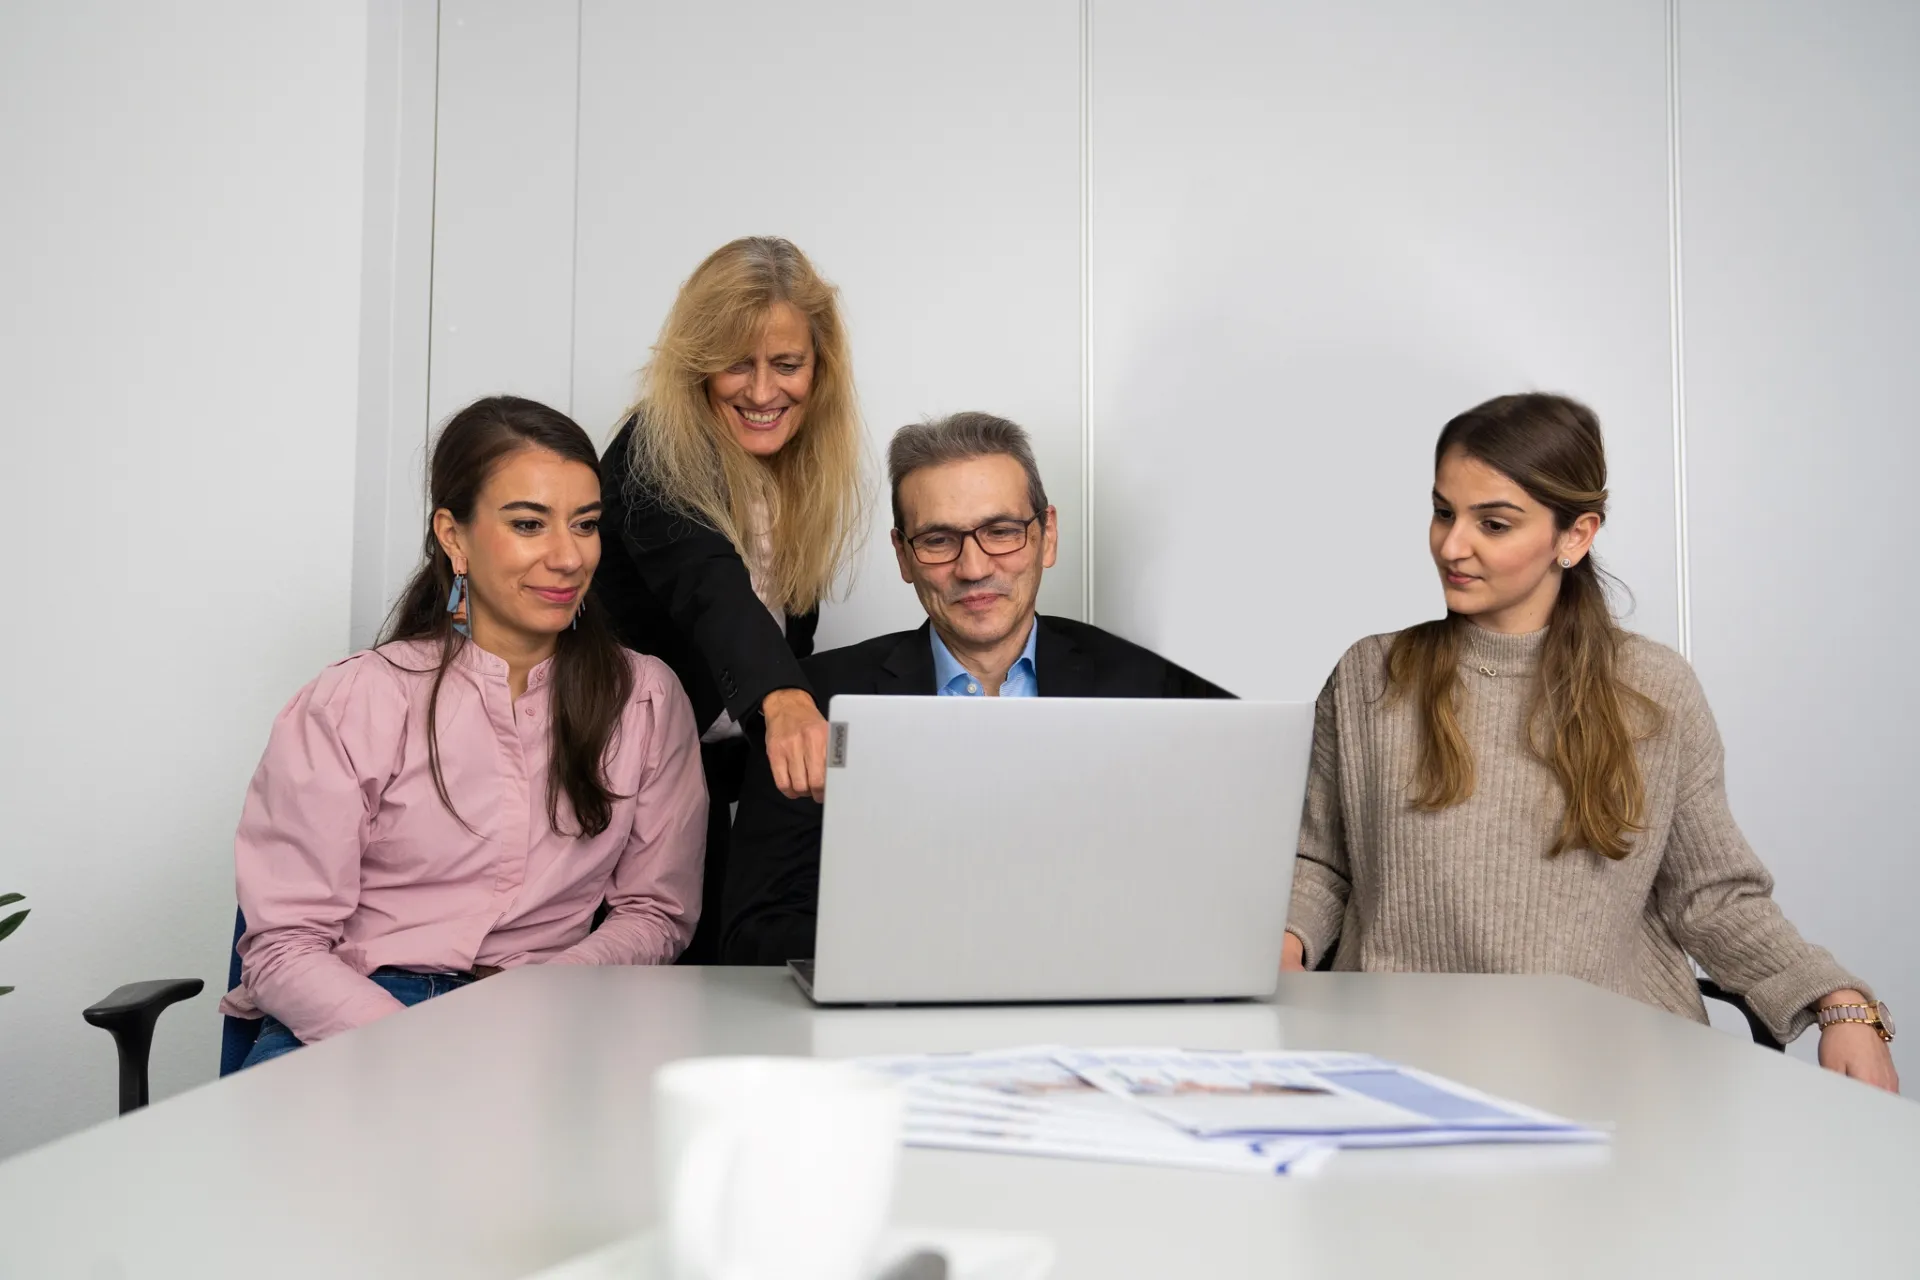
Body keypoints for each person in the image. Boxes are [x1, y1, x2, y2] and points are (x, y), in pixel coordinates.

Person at [1281, 392, 1897, 1092]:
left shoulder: (1653, 689)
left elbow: (1714, 899)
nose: (1452, 546)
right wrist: (1286, 944)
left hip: (1612, 1073)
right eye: (1444, 512)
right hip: (1399, 1062)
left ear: (1574, 536)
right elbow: (1320, 863)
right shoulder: (1371, 674)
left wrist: (1841, 1006)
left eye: (1493, 523)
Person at [221, 396, 706, 1065]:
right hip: (356, 1020)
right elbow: (284, 947)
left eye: (586, 525)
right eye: (529, 524)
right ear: (454, 536)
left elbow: (655, 913)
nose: (568, 556)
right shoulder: (356, 701)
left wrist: (540, 996)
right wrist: (424, 1049)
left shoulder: (645, 699)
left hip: (549, 1015)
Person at [719, 412, 1231, 964]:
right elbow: (753, 931)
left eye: (1001, 532)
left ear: (1047, 535)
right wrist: (937, 952)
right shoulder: (814, 703)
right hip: (898, 1005)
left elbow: (1208, 889)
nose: (974, 567)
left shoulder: (1150, 686)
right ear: (903, 556)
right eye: (938, 540)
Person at [594, 236, 866, 961]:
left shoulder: (796, 471)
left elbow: (783, 631)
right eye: (737, 363)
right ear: (697, 364)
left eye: (787, 364)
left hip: (713, 789)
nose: (762, 391)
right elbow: (709, 587)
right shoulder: (653, 449)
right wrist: (784, 700)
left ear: (819, 367)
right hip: (613, 799)